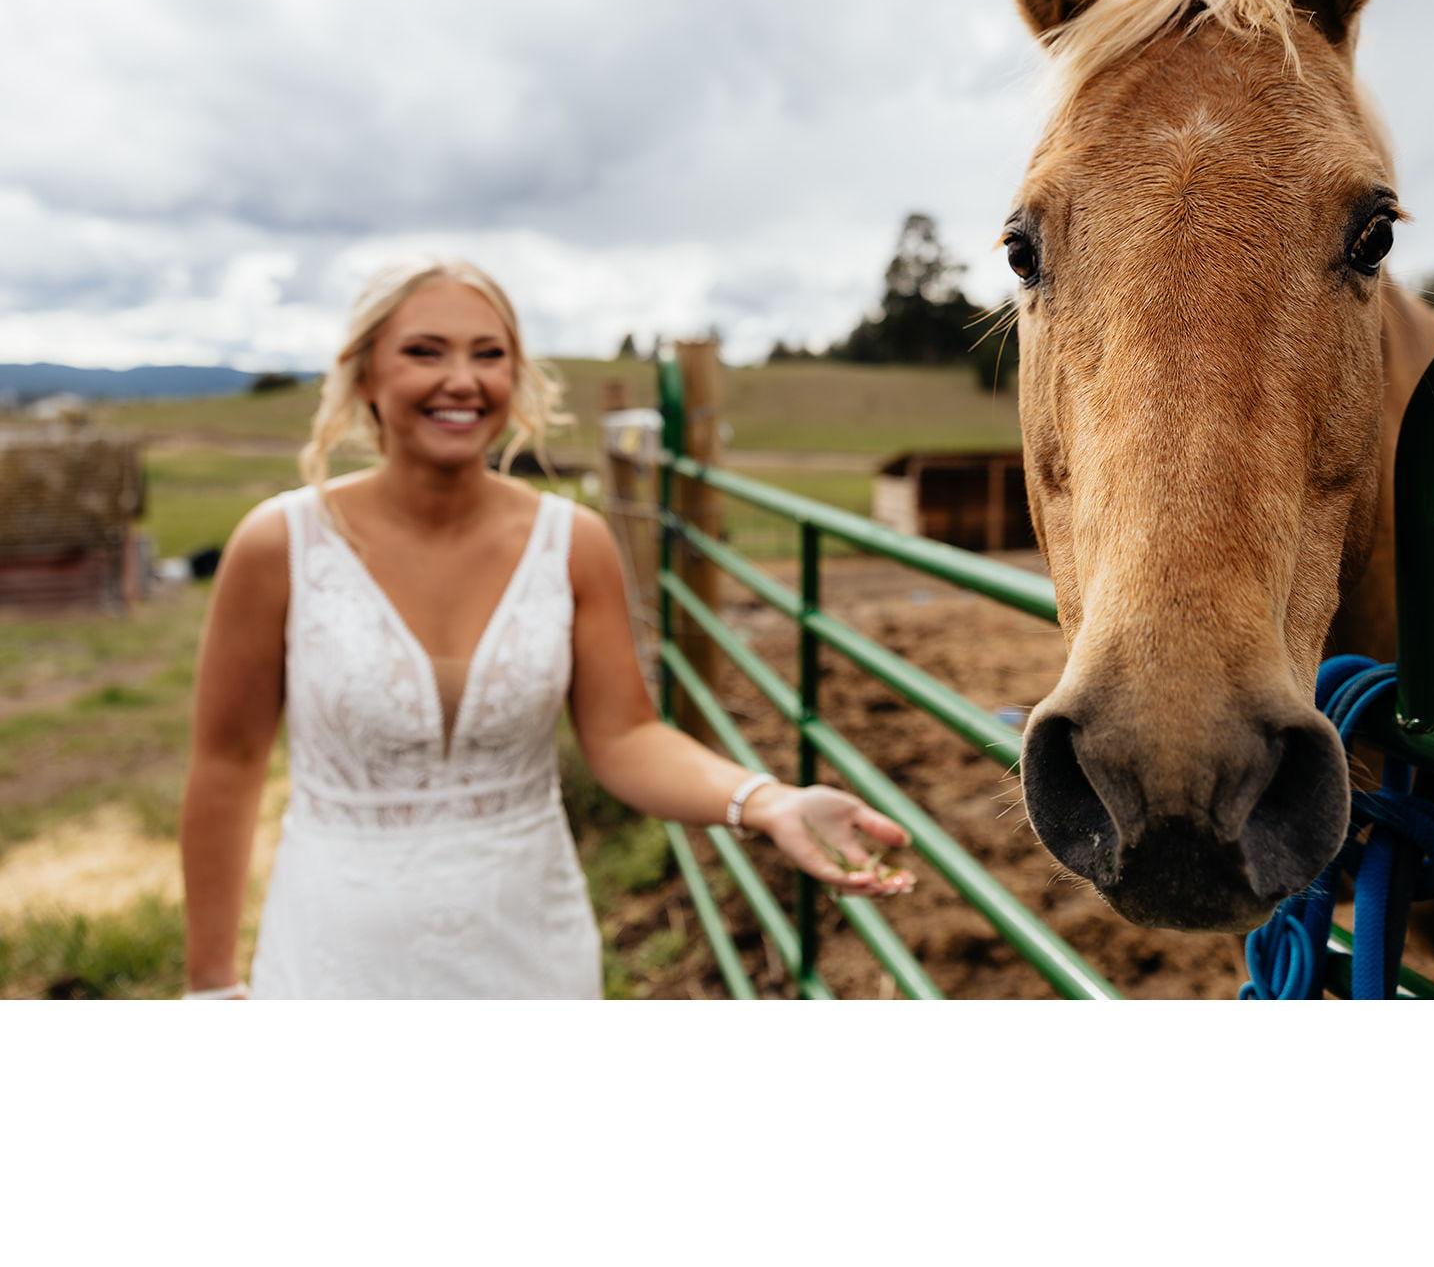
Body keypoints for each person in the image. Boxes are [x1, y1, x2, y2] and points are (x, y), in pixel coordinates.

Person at [179, 259, 913, 999]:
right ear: (364, 372)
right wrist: (210, 985)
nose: (462, 380)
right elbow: (226, 765)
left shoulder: (573, 543)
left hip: (529, 950)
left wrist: (768, 801)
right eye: (425, 352)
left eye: (488, 354)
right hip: (333, 956)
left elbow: (627, 737)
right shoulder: (280, 545)